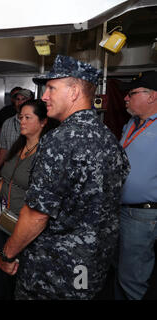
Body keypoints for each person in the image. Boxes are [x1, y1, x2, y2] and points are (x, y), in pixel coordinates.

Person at [0, 55, 130, 299]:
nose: (44, 96)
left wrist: (8, 254)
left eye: (51, 87)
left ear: (74, 92)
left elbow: (37, 215)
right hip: (93, 268)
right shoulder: (110, 139)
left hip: (55, 271)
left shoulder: (59, 141)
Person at [0, 99, 58, 299]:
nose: (22, 122)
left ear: (43, 122)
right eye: (20, 118)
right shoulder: (17, 147)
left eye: (28, 118)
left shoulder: (45, 155)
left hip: (24, 223)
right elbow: (4, 181)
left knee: (18, 271)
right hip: (4, 218)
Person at [116, 70, 157, 300]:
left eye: (132, 93)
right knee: (121, 273)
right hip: (122, 210)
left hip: (143, 215)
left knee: (132, 279)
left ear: (152, 96)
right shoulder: (131, 124)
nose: (126, 98)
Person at [0, 89, 34, 175]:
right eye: (17, 99)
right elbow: (3, 151)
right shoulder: (8, 123)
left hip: (28, 172)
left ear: (31, 102)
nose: (20, 102)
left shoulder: (37, 123)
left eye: (24, 99)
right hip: (9, 172)